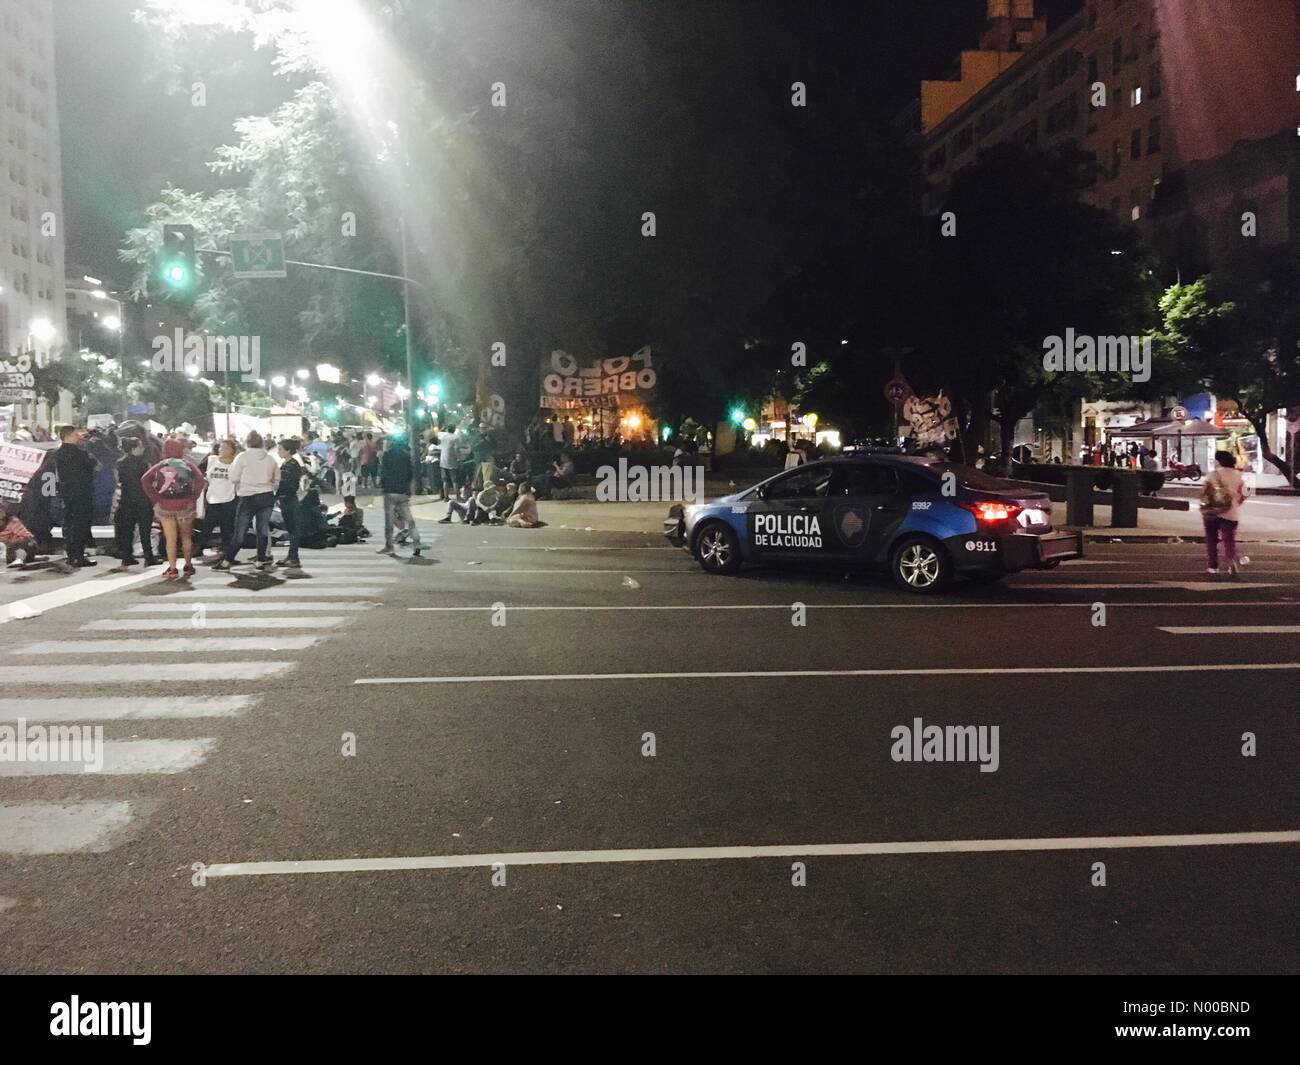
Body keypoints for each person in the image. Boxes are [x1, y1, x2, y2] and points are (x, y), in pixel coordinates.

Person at [140, 438, 207, 580]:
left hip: (165, 506)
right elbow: (201, 480)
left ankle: (172, 568)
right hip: (185, 506)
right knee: (186, 537)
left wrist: (156, 498)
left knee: (170, 539)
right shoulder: (188, 464)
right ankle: (188, 565)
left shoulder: (160, 465)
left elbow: (145, 480)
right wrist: (193, 497)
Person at [218, 430, 279, 571]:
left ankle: (227, 560)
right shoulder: (270, 458)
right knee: (262, 529)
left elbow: (233, 477)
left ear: (247, 442)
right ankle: (261, 559)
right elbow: (277, 478)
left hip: (247, 497)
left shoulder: (242, 457)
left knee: (240, 531)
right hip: (266, 496)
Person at [55, 425, 97, 567]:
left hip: (66, 493)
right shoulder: (81, 453)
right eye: (76, 434)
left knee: (68, 523)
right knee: (80, 525)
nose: (79, 436)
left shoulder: (58, 453)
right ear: (70, 435)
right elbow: (96, 465)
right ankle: (79, 556)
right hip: (81, 493)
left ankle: (71, 555)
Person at [1201, 449, 1248, 577]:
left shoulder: (1212, 475)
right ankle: (1231, 563)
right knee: (1229, 540)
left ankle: (1213, 566)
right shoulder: (1238, 475)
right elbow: (1244, 494)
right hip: (1231, 513)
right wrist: (1235, 503)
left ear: (1218, 461)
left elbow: (1204, 492)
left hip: (1212, 512)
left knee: (1211, 540)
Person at [114, 436, 158, 566]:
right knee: (145, 529)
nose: (143, 448)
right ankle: (148, 557)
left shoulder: (120, 463)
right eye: (140, 446)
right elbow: (151, 481)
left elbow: (117, 481)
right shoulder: (144, 463)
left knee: (128, 529)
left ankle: (127, 556)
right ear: (133, 448)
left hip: (126, 499)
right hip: (143, 499)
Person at [377, 438, 422, 556]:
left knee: (389, 522)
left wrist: (382, 486)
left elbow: (383, 473)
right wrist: (408, 488)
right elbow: (410, 473)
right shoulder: (406, 456)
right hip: (402, 491)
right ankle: (416, 542)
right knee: (409, 519)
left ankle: (389, 546)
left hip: (390, 491)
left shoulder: (387, 455)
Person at [198, 439, 238, 564]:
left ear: (233, 451)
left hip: (229, 499)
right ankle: (198, 548)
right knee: (207, 526)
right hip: (212, 499)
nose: (222, 450)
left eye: (226, 448)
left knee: (227, 528)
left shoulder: (236, 464)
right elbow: (200, 473)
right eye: (221, 447)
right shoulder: (211, 460)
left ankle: (226, 554)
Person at [275, 438, 305, 569]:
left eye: (280, 449)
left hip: (289, 500)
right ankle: (291, 556)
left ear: (288, 451)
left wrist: (276, 493)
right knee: (291, 528)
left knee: (293, 529)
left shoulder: (292, 465)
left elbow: (286, 484)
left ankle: (294, 557)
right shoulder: (287, 464)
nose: (278, 451)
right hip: (285, 499)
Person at [0, 502, 39, 569]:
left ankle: (20, 559)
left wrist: (11, 543)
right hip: (5, 552)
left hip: (18, 547)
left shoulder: (12, 522)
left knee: (22, 546)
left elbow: (27, 536)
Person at [437, 425, 459, 499]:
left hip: (443, 460)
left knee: (445, 480)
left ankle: (446, 497)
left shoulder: (442, 436)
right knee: (455, 480)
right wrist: (458, 458)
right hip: (452, 460)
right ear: (454, 430)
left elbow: (438, 444)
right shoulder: (455, 437)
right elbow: (456, 449)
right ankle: (458, 497)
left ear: (447, 429)